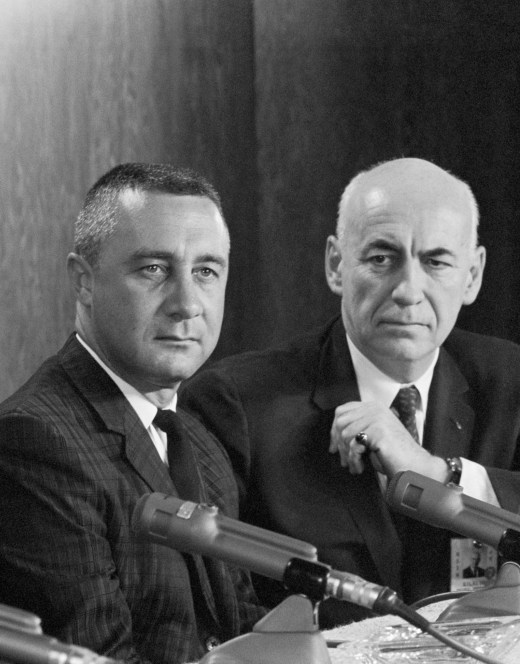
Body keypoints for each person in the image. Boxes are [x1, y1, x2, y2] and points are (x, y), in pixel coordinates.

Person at [180, 157, 520, 626]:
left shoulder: (512, 382)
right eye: (382, 259)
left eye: (436, 261)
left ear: (473, 275)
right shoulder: (235, 404)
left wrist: (440, 475)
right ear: (337, 265)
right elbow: (223, 610)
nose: (408, 291)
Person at [0, 163, 263, 664]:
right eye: (154, 270)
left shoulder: (198, 438)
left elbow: (241, 628)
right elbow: (96, 656)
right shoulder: (28, 445)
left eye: (206, 271)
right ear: (83, 281)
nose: (188, 303)